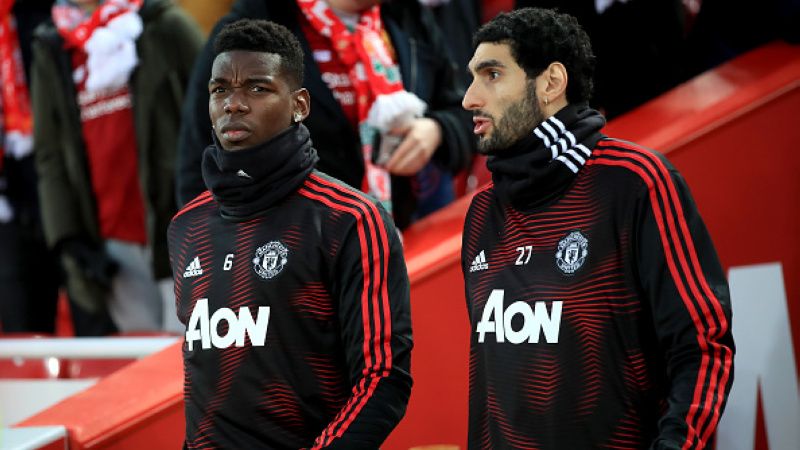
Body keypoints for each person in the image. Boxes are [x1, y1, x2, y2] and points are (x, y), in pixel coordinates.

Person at [461, 8, 734, 449]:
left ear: (551, 82)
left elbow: (703, 347)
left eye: (491, 74)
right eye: (472, 77)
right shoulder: (481, 213)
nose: (469, 98)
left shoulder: (636, 182)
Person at [168, 19, 412, 449]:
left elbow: (383, 378)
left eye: (257, 88)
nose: (234, 104)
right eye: (220, 90)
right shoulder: (187, 226)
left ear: (300, 104)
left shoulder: (350, 219)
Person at [176, 0, 475, 229]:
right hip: (291, 257)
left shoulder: (406, 17)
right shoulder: (254, 25)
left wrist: (437, 131)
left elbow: (463, 108)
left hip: (399, 238)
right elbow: (200, 160)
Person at [31, 0, 203, 334]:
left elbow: (217, 110)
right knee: (140, 370)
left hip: (178, 227)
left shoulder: (163, 25)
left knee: (192, 360)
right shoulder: (53, 45)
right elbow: (49, 153)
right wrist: (68, 237)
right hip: (111, 244)